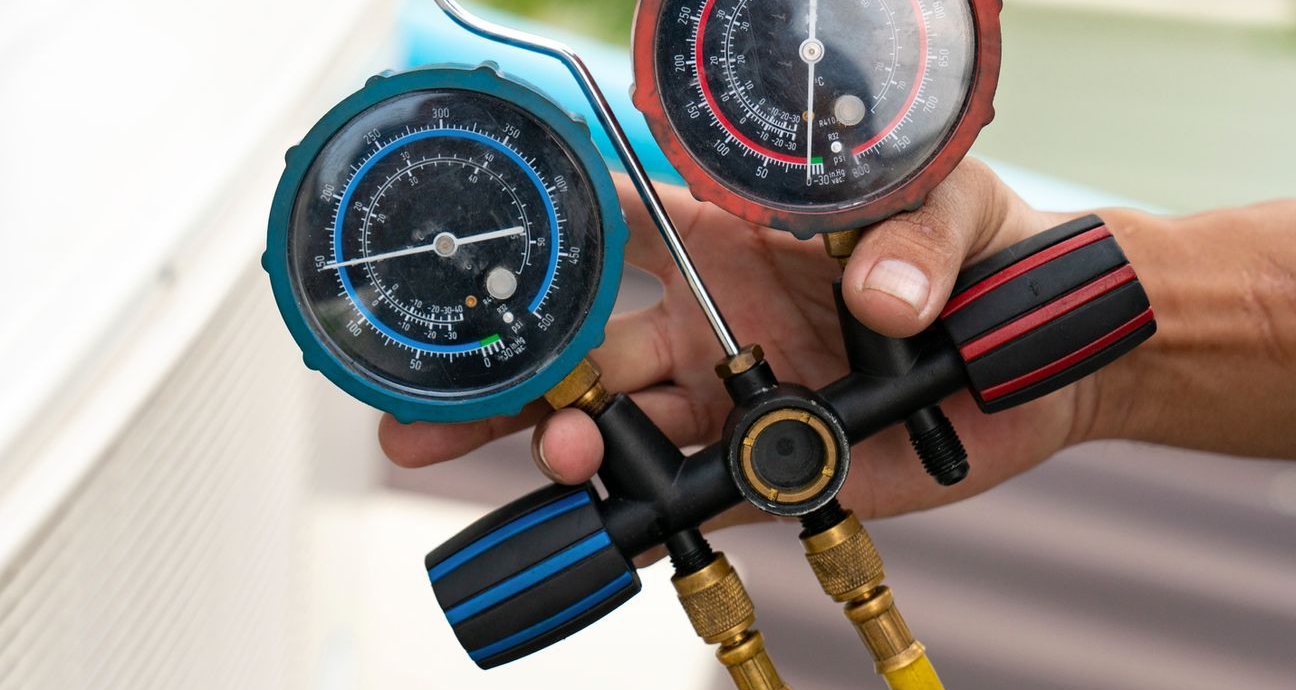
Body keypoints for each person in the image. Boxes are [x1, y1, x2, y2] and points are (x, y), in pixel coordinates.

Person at [379, 161, 1296, 522]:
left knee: (579, 436)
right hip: (950, 355)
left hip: (940, 361)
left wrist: (1105, 373)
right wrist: (1098, 370)